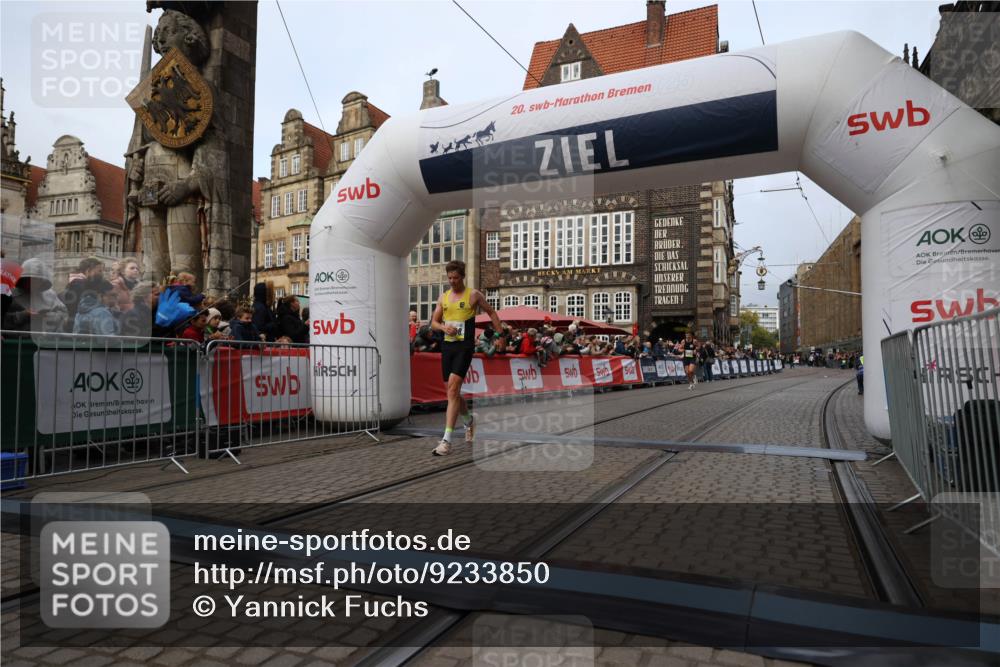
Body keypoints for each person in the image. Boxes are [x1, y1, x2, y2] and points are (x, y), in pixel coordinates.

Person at [430, 260, 502, 456]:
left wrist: (500, 335)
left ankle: (446, 441)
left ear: (463, 277)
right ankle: (469, 420)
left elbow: (491, 312)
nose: (452, 281)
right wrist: (444, 327)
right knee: (452, 392)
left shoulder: (473, 295)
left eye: (455, 278)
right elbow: (434, 322)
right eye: (450, 278)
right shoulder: (443, 297)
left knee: (453, 389)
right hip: (448, 347)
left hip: (464, 347)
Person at [4, 258, 69, 334]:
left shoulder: (50, 295)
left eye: (37, 280)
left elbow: (63, 312)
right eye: (30, 280)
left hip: (44, 340)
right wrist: (23, 315)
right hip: (15, 342)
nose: (34, 283)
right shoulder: (8, 294)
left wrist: (50, 317)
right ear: (23, 279)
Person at [61, 257, 105, 329]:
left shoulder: (75, 284)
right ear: (88, 271)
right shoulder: (80, 286)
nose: (102, 274)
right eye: (99, 271)